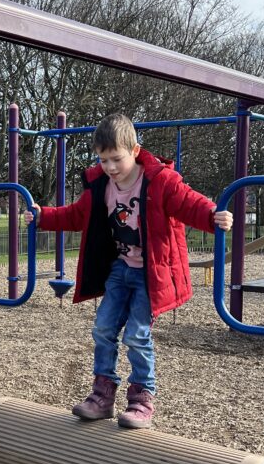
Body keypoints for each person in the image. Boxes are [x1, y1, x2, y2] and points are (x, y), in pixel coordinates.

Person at [24, 113, 233, 429]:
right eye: (103, 159)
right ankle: (102, 395)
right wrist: (44, 217)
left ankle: (141, 399)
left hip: (151, 274)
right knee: (103, 328)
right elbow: (77, 215)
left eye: (116, 159)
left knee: (137, 335)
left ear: (135, 150)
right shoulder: (101, 187)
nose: (110, 167)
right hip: (120, 270)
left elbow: (189, 203)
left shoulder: (160, 181)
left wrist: (213, 216)